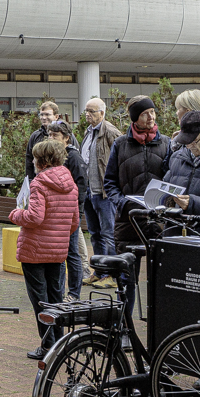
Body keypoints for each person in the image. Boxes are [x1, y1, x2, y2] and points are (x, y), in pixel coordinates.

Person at [10, 139, 80, 360]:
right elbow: (74, 223)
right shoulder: (71, 185)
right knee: (56, 298)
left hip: (34, 250)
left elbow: (34, 217)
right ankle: (59, 343)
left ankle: (47, 347)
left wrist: (15, 214)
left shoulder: (39, 183)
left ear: (40, 161)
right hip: (58, 251)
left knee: (40, 299)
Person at [104, 95, 172, 322]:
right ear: (135, 118)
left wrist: (166, 202)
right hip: (128, 221)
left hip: (158, 221)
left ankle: (158, 328)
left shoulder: (167, 144)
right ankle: (125, 328)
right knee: (126, 280)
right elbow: (109, 183)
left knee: (161, 278)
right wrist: (120, 201)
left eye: (153, 111)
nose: (151, 117)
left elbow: (173, 179)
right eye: (145, 113)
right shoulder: (120, 145)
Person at [79, 98, 121, 289]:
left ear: (102, 113)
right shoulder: (88, 132)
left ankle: (112, 275)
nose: (88, 114)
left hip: (104, 193)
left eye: (92, 111)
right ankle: (100, 271)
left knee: (108, 233)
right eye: (86, 110)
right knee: (95, 234)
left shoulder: (110, 132)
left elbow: (120, 161)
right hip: (90, 192)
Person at [46, 120, 88, 300]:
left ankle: (74, 294)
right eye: (49, 135)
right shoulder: (52, 156)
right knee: (59, 254)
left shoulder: (73, 158)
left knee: (71, 253)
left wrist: (75, 211)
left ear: (66, 139)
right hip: (55, 214)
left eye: (55, 135)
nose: (51, 138)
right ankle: (59, 293)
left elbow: (81, 186)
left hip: (70, 214)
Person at [25, 102, 77, 181]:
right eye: (41, 114)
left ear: (56, 116)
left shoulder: (65, 135)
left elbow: (74, 157)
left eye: (47, 114)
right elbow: (29, 160)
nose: (43, 117)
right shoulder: (35, 136)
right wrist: (29, 180)